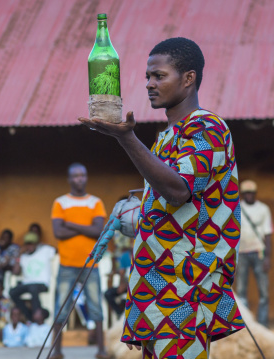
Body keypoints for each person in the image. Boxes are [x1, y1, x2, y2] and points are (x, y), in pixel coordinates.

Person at [80, 37, 244, 358]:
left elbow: (178, 189)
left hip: (187, 285)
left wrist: (127, 139)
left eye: (159, 76)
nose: (150, 84)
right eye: (147, 77)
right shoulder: (167, 137)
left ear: (188, 78)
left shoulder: (206, 128)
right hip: (159, 284)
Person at [50, 162, 108, 359]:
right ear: (69, 179)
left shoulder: (95, 202)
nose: (79, 179)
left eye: (82, 175)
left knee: (96, 306)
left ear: (86, 177)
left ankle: (101, 350)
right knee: (61, 306)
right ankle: (57, 352)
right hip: (66, 264)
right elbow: (58, 232)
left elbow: (98, 231)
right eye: (75, 176)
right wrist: (86, 227)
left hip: (91, 264)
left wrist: (71, 224)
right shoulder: (60, 202)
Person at [236, 180, 274, 327]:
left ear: (255, 194)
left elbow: (268, 234)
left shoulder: (263, 209)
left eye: (251, 193)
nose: (249, 196)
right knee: (241, 291)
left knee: (263, 292)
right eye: (246, 193)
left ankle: (263, 325)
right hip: (242, 253)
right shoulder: (237, 207)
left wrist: (268, 257)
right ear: (243, 194)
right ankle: (245, 326)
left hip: (259, 252)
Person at [10, 231, 56, 321]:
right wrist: (19, 255)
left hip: (42, 284)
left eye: (32, 244)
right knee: (12, 292)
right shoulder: (23, 256)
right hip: (27, 284)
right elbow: (15, 272)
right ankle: (30, 317)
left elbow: (56, 251)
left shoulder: (45, 250)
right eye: (27, 244)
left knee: (33, 288)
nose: (29, 246)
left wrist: (43, 245)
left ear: (36, 244)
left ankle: (37, 316)